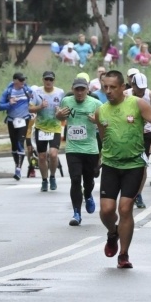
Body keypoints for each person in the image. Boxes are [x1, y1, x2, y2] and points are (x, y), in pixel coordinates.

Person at [95, 70, 151, 269]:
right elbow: (103, 137)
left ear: (122, 87)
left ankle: (123, 254)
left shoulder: (136, 103)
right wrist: (101, 158)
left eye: (112, 87)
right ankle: (112, 233)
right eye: (105, 87)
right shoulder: (101, 111)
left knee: (125, 208)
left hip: (134, 164)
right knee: (107, 210)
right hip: (110, 165)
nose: (108, 91)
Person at [56, 78, 102, 226]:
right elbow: (59, 116)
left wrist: (97, 121)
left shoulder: (96, 104)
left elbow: (106, 122)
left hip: (90, 149)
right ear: (73, 89)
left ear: (88, 89)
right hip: (73, 148)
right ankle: (76, 213)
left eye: (83, 89)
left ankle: (88, 195)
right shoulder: (66, 101)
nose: (80, 92)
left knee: (88, 180)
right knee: (75, 179)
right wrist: (59, 116)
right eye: (77, 89)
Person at [126, 73, 151, 209]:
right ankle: (127, 193)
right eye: (139, 89)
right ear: (133, 86)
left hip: (145, 135)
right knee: (128, 164)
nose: (141, 92)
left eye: (143, 89)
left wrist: (148, 116)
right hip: (129, 134)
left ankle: (138, 194)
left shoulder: (150, 95)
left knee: (143, 165)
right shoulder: (126, 94)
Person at [30, 71, 65, 192]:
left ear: (54, 80)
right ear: (43, 80)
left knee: (53, 154)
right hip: (41, 128)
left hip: (55, 127)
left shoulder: (60, 92)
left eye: (51, 80)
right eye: (46, 79)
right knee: (42, 156)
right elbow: (30, 108)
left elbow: (64, 109)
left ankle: (53, 176)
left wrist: (59, 111)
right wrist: (40, 107)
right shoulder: (36, 92)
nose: (48, 82)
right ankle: (44, 180)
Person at [0, 72, 33, 180]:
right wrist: (9, 104)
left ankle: (18, 169)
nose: (23, 82)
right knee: (14, 145)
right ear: (15, 81)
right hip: (12, 120)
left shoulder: (27, 90)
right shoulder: (8, 91)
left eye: (24, 80)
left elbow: (35, 99)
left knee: (20, 142)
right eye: (21, 80)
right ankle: (17, 164)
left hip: (24, 119)